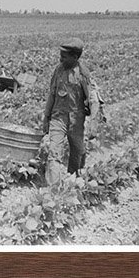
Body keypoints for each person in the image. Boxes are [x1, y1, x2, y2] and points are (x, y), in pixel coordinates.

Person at [41, 37, 100, 185]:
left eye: (64, 57)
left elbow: (93, 100)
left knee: (78, 152)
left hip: (76, 119)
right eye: (60, 56)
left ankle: (73, 180)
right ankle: (53, 189)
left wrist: (94, 124)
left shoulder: (83, 74)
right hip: (58, 117)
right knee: (54, 153)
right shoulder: (58, 70)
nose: (60, 59)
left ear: (75, 57)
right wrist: (46, 117)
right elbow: (52, 94)